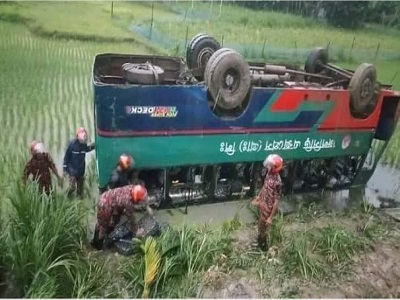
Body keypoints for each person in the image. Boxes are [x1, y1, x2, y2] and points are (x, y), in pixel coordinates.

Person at [91, 184, 153, 250]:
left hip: (113, 201)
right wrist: (137, 231)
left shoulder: (133, 188)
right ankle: (98, 245)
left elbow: (144, 197)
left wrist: (147, 207)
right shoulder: (128, 202)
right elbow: (131, 219)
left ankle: (107, 234)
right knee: (103, 225)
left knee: (115, 221)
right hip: (105, 204)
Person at [251, 154, 283, 251]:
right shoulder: (269, 173)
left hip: (268, 208)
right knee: (260, 225)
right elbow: (265, 186)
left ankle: (263, 247)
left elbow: (276, 201)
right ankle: (259, 241)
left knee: (264, 228)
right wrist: (259, 196)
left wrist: (270, 217)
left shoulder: (278, 182)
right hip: (262, 203)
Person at [63, 127, 95, 198]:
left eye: (84, 131)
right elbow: (66, 156)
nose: (83, 133)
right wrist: (65, 169)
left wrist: (95, 145)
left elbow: (87, 149)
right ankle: (67, 197)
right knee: (72, 187)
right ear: (77, 135)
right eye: (81, 131)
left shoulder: (83, 144)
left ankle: (79, 203)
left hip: (81, 170)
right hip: (72, 170)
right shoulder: (72, 144)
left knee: (80, 190)